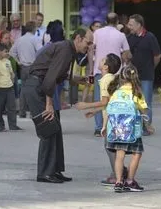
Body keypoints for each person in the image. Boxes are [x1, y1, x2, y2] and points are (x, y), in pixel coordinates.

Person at [22, 28, 92, 183]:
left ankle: (55, 170)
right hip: (36, 87)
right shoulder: (65, 49)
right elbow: (50, 78)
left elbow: (58, 74)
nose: (90, 46)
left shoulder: (70, 50)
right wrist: (49, 105)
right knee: (48, 129)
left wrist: (80, 79)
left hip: (40, 86)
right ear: (78, 38)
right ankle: (44, 173)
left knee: (57, 129)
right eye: (88, 42)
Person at [75, 54, 124, 186]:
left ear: (106, 67)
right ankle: (119, 171)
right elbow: (109, 102)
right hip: (116, 116)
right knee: (113, 146)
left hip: (111, 118)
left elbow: (104, 101)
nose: (99, 60)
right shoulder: (112, 78)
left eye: (102, 60)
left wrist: (86, 105)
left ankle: (117, 174)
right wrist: (95, 111)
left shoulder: (105, 80)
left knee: (110, 147)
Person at [105, 64, 151, 192]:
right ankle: (130, 180)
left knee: (120, 155)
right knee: (137, 153)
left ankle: (119, 182)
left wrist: (104, 127)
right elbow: (143, 110)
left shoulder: (116, 93)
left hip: (117, 130)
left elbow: (109, 111)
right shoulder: (136, 92)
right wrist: (148, 125)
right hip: (132, 130)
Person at [92, 12, 131, 137]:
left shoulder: (97, 33)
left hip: (100, 71)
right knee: (115, 100)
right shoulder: (121, 35)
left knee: (99, 99)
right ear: (117, 21)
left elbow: (91, 49)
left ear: (105, 21)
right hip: (116, 72)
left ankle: (99, 128)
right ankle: (114, 126)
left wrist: (91, 67)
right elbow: (126, 54)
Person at [127, 14, 161, 134]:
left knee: (146, 102)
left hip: (147, 75)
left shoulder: (150, 37)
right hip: (132, 76)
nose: (128, 26)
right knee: (133, 102)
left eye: (131, 24)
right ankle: (136, 126)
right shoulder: (129, 37)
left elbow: (157, 55)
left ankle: (146, 127)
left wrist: (151, 67)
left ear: (139, 25)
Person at [10, 21, 42, 118]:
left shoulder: (19, 39)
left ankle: (22, 111)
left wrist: (18, 61)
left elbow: (12, 52)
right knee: (34, 89)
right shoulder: (35, 39)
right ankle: (33, 112)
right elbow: (40, 52)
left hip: (23, 67)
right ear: (33, 29)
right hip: (33, 66)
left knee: (23, 89)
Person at [0, 43, 22, 132]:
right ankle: (0, 125)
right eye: (5, 51)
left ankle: (13, 125)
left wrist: (12, 81)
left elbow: (12, 73)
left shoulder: (7, 61)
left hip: (9, 87)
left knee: (12, 107)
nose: (7, 53)